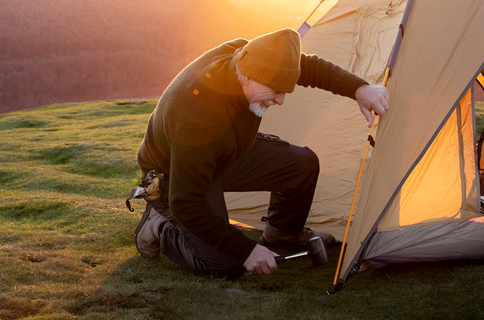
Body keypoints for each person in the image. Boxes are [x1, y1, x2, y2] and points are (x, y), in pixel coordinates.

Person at [133, 28, 390, 278]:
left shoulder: (250, 56)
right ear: (247, 77)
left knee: (302, 164)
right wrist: (247, 250)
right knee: (227, 264)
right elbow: (186, 203)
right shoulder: (198, 119)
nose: (280, 100)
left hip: (223, 152)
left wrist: (359, 89)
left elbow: (308, 67)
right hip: (176, 174)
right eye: (275, 91)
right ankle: (158, 225)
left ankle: (282, 232)